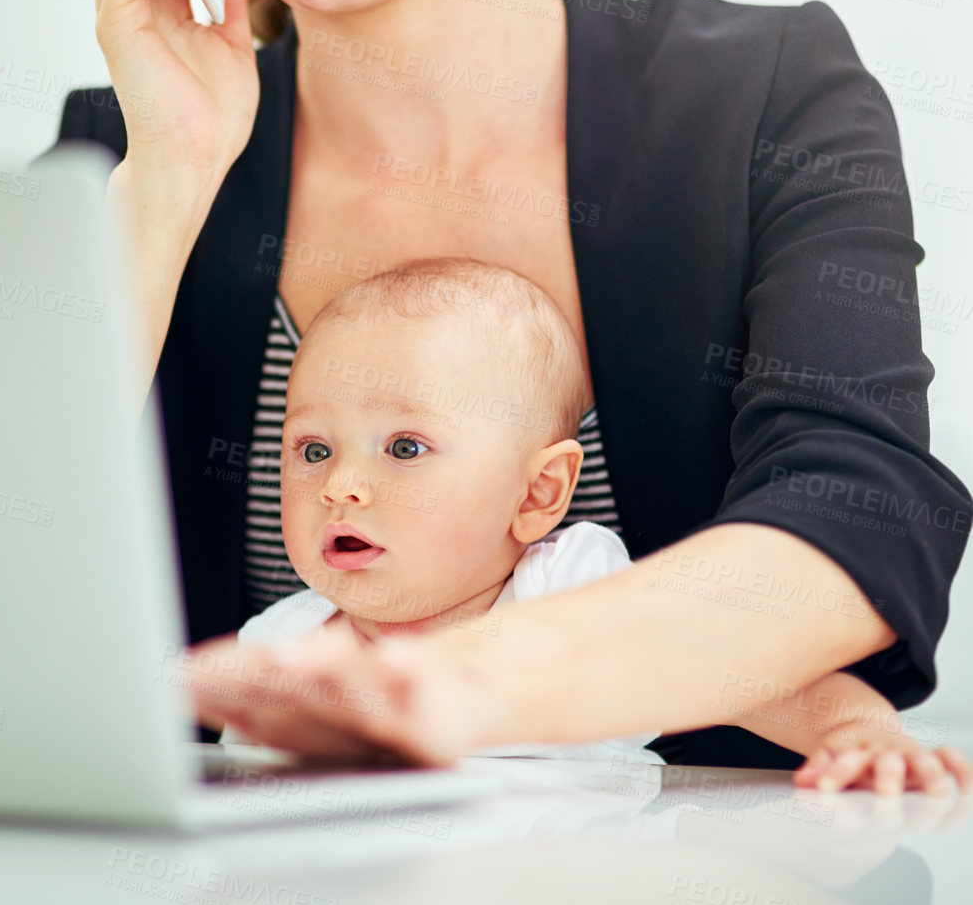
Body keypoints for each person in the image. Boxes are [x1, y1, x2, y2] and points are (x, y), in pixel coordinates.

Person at [51, 0, 972, 779]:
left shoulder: (764, 95)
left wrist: (446, 683)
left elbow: (859, 513)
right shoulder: (128, 154)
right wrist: (169, 177)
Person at [206, 255, 972, 793]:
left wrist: (861, 738)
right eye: (311, 449)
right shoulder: (283, 641)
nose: (341, 486)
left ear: (538, 493)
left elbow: (765, 683)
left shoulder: (567, 589)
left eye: (406, 447)